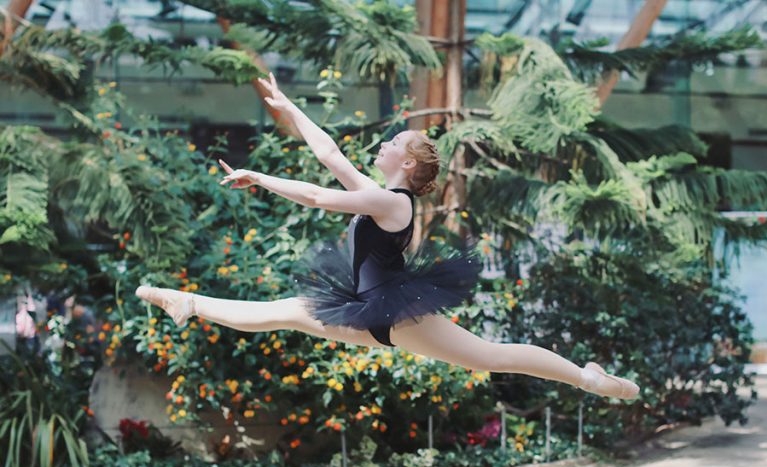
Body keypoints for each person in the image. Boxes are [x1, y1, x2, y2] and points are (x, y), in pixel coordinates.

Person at [136, 72, 639, 400]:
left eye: (395, 141)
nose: (384, 142)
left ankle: (588, 378)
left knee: (491, 355)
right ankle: (188, 303)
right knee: (282, 312)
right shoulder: (380, 195)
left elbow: (316, 196)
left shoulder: (393, 202)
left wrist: (261, 178)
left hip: (389, 312)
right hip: (364, 310)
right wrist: (290, 108)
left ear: (409, 162)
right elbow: (330, 156)